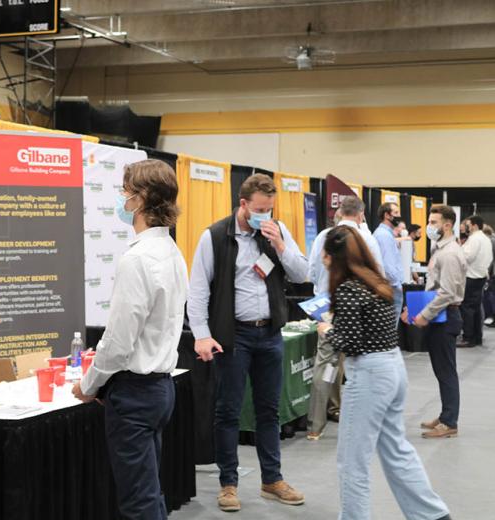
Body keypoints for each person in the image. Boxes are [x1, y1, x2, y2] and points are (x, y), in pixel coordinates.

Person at [72, 159, 188, 519]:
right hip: (159, 389)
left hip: (135, 394)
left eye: (126, 190)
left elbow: (119, 342)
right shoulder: (172, 253)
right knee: (150, 493)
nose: (122, 198)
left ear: (140, 200)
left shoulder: (138, 259)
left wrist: (89, 384)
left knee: (138, 501)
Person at [188, 173, 308, 512]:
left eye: (269, 209)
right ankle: (228, 484)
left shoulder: (277, 231)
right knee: (228, 410)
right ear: (243, 204)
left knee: (269, 410)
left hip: (270, 334)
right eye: (259, 209)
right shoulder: (214, 236)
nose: (265, 215)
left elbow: (301, 274)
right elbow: (197, 290)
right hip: (234, 335)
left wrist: (281, 246)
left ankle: (272, 479)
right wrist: (201, 334)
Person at [317, 226, 452, 520]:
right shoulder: (377, 283)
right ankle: (432, 514)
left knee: (352, 462)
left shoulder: (348, 289)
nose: (323, 261)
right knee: (396, 450)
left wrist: (327, 330)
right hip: (392, 367)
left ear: (333, 257)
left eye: (325, 256)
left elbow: (350, 343)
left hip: (368, 375)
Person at [306, 195, 384, 442]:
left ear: (339, 211)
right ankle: (358, 419)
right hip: (359, 308)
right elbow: (378, 275)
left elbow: (310, 273)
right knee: (356, 364)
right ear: (361, 214)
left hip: (327, 307)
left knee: (325, 363)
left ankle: (315, 426)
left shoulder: (322, 237)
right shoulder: (367, 239)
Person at [405, 205, 465, 440]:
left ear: (447, 225)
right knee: (441, 371)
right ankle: (445, 415)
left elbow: (447, 293)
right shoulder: (440, 249)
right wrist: (416, 310)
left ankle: (450, 421)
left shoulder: (449, 253)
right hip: (439, 315)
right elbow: (434, 288)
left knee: (446, 371)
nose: (429, 226)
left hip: (446, 316)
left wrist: (424, 315)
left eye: (433, 222)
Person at [457, 215, 492, 348]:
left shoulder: (474, 239)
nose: (466, 227)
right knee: (476, 308)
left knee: (467, 308)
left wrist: (459, 251)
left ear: (474, 225)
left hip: (471, 276)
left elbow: (468, 257)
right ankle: (477, 337)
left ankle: (468, 337)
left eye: (468, 224)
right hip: (481, 275)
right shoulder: (485, 239)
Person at [374, 202, 405, 322]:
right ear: (387, 215)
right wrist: (397, 285)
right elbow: (387, 266)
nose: (399, 216)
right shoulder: (383, 235)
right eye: (396, 213)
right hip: (391, 288)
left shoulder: (387, 234)